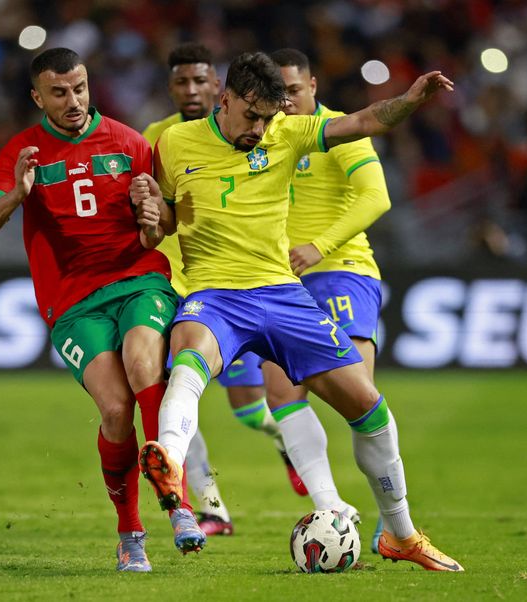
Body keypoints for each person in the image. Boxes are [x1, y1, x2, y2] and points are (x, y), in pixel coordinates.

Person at [133, 51, 464, 571]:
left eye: (269, 118)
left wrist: (410, 100)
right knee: (188, 358)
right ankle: (170, 460)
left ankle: (400, 533)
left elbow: (364, 120)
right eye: (252, 117)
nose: (261, 129)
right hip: (216, 296)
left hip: (284, 295)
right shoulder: (174, 142)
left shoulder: (286, 132)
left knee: (369, 408)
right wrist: (153, 217)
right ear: (226, 99)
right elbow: (167, 222)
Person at [0, 47, 206, 573]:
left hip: (139, 280)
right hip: (73, 303)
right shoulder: (24, 151)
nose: (73, 101)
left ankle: (180, 504)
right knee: (116, 412)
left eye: (79, 88)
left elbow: (158, 229)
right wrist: (16, 197)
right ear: (37, 97)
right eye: (58, 92)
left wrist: (153, 218)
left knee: (146, 363)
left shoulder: (129, 143)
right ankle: (130, 535)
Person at [141, 43, 345, 537]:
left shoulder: (259, 134)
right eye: (181, 83)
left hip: (249, 289)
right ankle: (208, 506)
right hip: (184, 290)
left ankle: (286, 443)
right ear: (170, 89)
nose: (191, 91)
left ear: (220, 90)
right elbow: (159, 217)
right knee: (175, 390)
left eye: (200, 82)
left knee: (250, 408)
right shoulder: (158, 138)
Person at [265, 47, 395, 554]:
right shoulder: (267, 137)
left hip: (342, 273)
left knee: (358, 399)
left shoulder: (338, 130)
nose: (287, 103)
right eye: (278, 95)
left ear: (314, 86)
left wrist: (320, 246)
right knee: (280, 394)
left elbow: (375, 197)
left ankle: (392, 522)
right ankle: (332, 506)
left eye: (294, 91)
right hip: (282, 282)